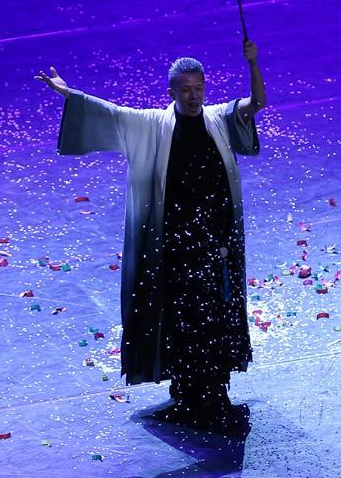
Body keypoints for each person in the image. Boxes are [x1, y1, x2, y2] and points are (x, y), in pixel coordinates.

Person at [36, 39, 265, 434]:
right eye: (186, 90)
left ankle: (213, 392)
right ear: (172, 92)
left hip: (213, 240)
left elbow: (256, 103)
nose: (194, 97)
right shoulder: (154, 125)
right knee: (182, 319)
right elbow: (110, 113)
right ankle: (189, 393)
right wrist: (67, 92)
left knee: (213, 316)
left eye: (199, 88)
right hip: (175, 244)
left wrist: (253, 63)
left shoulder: (217, 119)